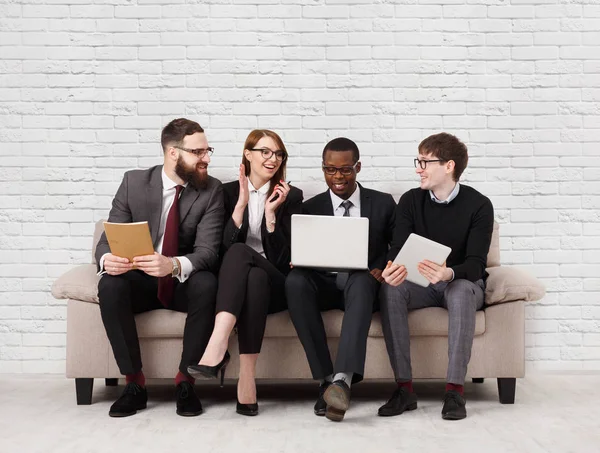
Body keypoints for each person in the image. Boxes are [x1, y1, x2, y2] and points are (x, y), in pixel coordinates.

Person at [95, 118, 224, 418]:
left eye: (208, 150)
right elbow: (105, 242)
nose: (206, 158)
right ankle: (134, 384)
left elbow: (208, 252)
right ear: (173, 153)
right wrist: (107, 260)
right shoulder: (134, 183)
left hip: (180, 282)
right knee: (109, 284)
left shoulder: (211, 190)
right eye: (198, 151)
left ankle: (185, 382)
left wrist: (173, 264)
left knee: (207, 283)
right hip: (139, 280)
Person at [378, 132, 494, 421]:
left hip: (461, 282)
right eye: (418, 161)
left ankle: (454, 391)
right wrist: (392, 268)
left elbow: (477, 264)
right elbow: (398, 247)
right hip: (421, 283)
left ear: (449, 166)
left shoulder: (479, 205)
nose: (419, 168)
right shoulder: (409, 201)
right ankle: (404, 389)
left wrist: (449, 272)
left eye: (425, 162)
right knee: (391, 290)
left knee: (459, 291)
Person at [187, 130, 303, 416]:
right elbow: (218, 253)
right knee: (252, 276)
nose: (272, 159)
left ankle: (217, 344)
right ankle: (247, 380)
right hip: (241, 285)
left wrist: (271, 215)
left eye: (278, 154)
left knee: (248, 260)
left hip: (277, 284)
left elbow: (282, 260)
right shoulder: (224, 193)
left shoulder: (292, 196)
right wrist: (240, 206)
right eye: (265, 151)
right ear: (247, 154)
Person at [285, 137, 396, 422]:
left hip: (361, 284)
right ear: (323, 169)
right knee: (295, 280)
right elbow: (297, 252)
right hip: (322, 283)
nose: (337, 177)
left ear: (358, 167)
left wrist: (382, 267)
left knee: (360, 280)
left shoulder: (382, 203)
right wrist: (300, 257)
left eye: (346, 170)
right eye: (330, 170)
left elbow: (396, 246)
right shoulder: (309, 207)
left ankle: (342, 383)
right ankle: (325, 381)